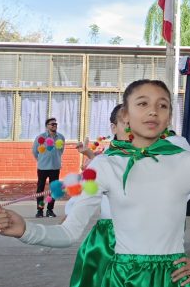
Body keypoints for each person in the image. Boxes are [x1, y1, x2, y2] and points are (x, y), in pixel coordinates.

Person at [0, 79, 190, 286]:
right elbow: (69, 232)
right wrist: (26, 231)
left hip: (174, 277)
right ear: (126, 114)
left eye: (163, 105)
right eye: (142, 103)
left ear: (168, 118)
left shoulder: (186, 161)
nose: (153, 111)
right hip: (124, 278)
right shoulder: (106, 165)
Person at [67, 103, 122, 287]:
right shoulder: (106, 159)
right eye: (126, 122)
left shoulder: (153, 160)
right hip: (108, 239)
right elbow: (101, 167)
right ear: (114, 127)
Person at [32, 117, 65, 218]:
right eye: (52, 124)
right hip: (42, 167)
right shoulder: (40, 137)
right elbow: (35, 151)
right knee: (40, 189)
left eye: (55, 124)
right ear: (47, 126)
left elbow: (61, 150)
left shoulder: (61, 137)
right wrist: (41, 160)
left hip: (55, 167)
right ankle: (40, 210)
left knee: (53, 190)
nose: (54, 125)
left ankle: (50, 210)